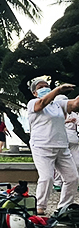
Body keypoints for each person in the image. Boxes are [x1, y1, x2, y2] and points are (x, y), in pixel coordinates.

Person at [27, 78, 79, 215]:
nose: (45, 87)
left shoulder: (58, 104)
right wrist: (58, 90)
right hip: (41, 146)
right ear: (34, 92)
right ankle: (40, 206)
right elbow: (42, 103)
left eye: (47, 86)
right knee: (47, 177)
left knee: (72, 178)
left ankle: (64, 207)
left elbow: (75, 104)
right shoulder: (32, 103)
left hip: (62, 146)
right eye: (41, 87)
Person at [53, 95, 79, 192]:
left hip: (73, 141)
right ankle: (57, 183)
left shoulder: (73, 114)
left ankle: (76, 182)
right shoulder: (53, 114)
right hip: (60, 141)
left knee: (77, 163)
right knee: (60, 164)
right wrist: (66, 121)